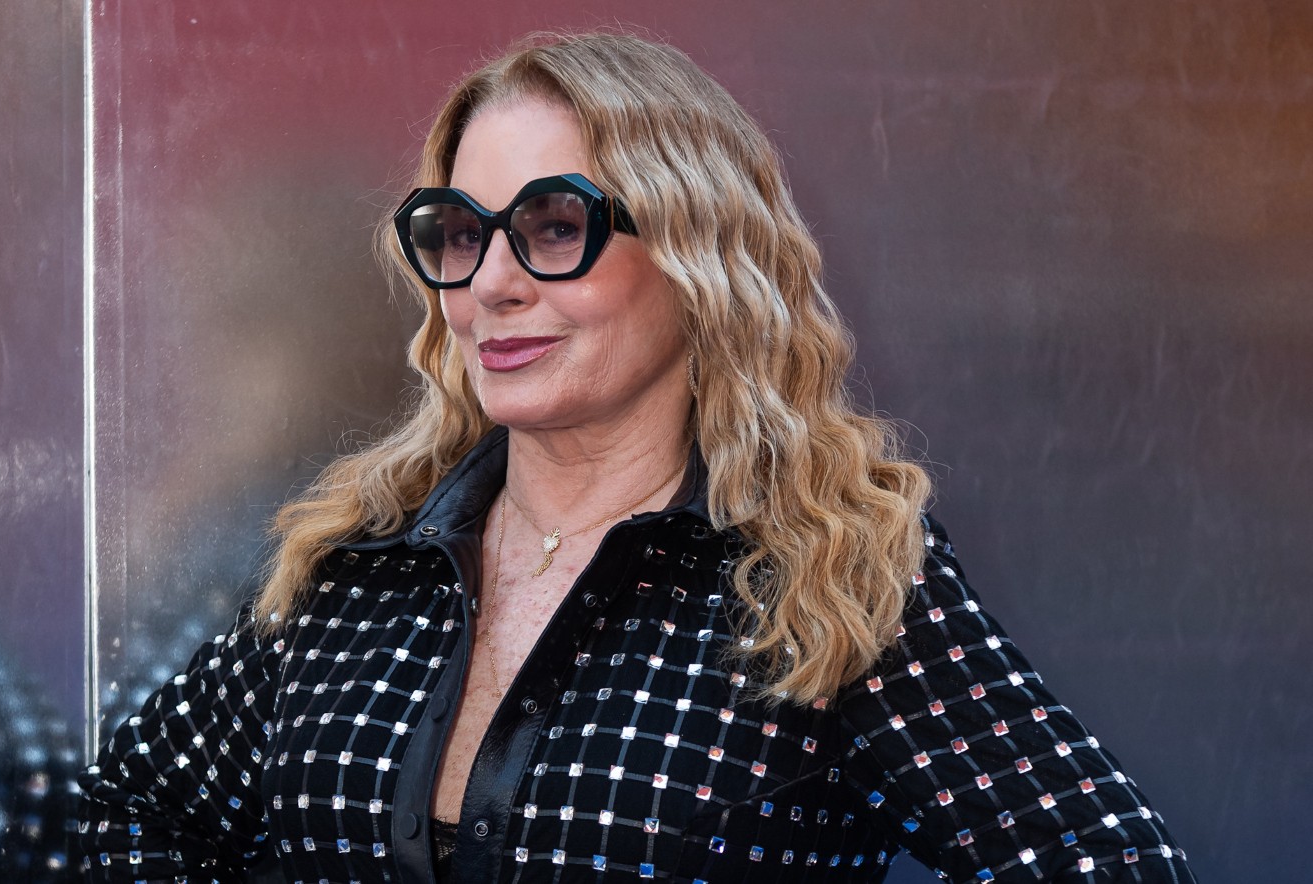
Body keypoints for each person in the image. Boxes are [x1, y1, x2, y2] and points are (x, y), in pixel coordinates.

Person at [79, 32, 1197, 884]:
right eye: (460, 234)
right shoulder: (359, 564)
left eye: (554, 226)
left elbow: (1109, 864)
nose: (491, 283)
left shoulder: (826, 573)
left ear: (696, 253)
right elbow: (122, 821)